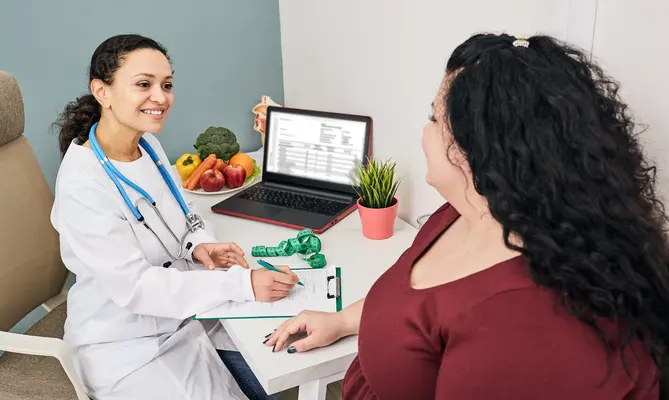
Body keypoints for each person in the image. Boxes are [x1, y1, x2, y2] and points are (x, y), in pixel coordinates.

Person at [266, 33, 669, 399]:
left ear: (475, 151)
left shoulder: (520, 322)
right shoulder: (463, 212)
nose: (425, 132)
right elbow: (417, 301)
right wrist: (342, 320)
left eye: (434, 119)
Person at [50, 34, 299, 400]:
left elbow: (185, 215)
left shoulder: (147, 145)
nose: (160, 97)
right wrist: (241, 284)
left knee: (281, 361)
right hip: (125, 343)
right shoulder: (81, 184)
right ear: (102, 91)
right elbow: (137, 288)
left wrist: (200, 245)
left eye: (166, 85)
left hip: (186, 315)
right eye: (143, 84)